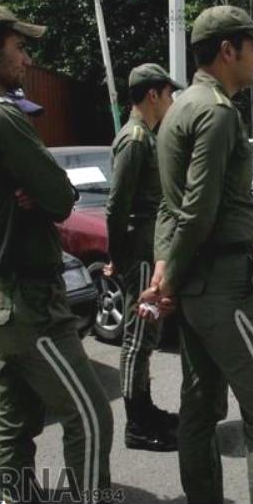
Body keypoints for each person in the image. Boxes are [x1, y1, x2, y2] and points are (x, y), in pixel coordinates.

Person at [0, 3, 112, 504]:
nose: (25, 59)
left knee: (13, 423)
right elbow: (61, 196)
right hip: (29, 299)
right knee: (91, 416)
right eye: (18, 48)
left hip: (2, 297)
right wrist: (41, 191)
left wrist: (35, 190)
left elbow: (42, 192)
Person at [142, 6, 253, 504]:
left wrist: (167, 270)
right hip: (224, 287)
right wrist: (168, 278)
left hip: (196, 285)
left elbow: (172, 210)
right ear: (228, 50)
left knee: (200, 409)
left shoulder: (177, 110)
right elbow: (198, 211)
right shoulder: (216, 112)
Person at [105, 63, 183, 452]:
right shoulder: (135, 139)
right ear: (153, 95)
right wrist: (118, 259)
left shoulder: (147, 137)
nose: (172, 102)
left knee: (147, 335)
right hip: (138, 254)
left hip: (147, 253)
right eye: (169, 94)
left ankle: (147, 409)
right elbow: (117, 206)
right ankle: (136, 424)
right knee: (137, 339)